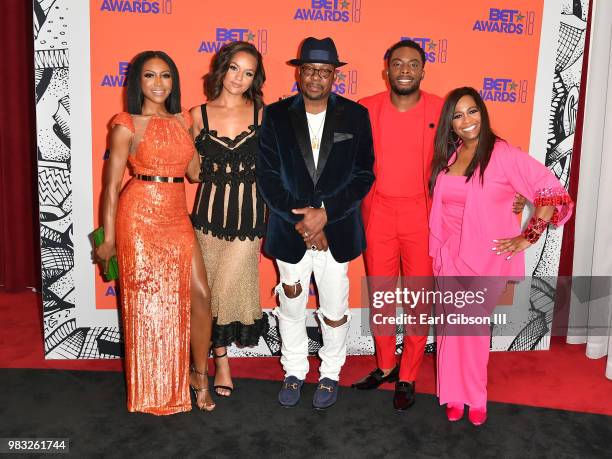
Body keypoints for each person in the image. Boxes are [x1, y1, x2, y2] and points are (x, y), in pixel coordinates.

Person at [352, 40, 526, 411]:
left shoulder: (440, 110)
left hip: (423, 215)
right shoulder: (364, 109)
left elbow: (483, 149)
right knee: (381, 294)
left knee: (418, 299)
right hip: (378, 213)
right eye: (397, 63)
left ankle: (409, 374)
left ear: (422, 70)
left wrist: (518, 193)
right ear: (387, 69)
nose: (404, 70)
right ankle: (385, 364)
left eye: (412, 64)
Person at [428, 87, 573, 425]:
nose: (467, 120)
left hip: (483, 256)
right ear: (450, 123)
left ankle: (475, 399)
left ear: (483, 113)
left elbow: (548, 189)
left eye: (473, 111)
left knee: (474, 331)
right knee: (451, 329)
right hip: (449, 253)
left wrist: (529, 235)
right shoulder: (452, 155)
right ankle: (453, 394)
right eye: (459, 115)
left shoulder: (503, 154)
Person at [257, 37, 375, 409]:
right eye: (309, 69)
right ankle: (294, 370)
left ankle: (330, 374)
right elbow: (268, 176)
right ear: (298, 72)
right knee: (291, 305)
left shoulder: (356, 116)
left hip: (336, 231)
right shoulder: (275, 116)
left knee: (334, 307)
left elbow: (363, 175)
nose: (316, 78)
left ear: (334, 76)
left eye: (324, 72)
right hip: (289, 229)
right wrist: (305, 220)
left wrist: (325, 215)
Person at [96, 51, 215, 413]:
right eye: (150, 76)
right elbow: (112, 186)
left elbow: (194, 173)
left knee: (200, 296)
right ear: (138, 83)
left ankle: (198, 375)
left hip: (177, 214)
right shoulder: (126, 123)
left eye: (166, 75)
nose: (159, 83)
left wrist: (206, 141)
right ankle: (153, 386)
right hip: (139, 215)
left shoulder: (184, 120)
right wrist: (108, 239)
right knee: (147, 304)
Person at [190, 41, 268, 397]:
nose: (239, 78)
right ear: (221, 69)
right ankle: (220, 359)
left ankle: (216, 361)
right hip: (206, 219)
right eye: (234, 68)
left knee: (225, 289)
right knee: (207, 294)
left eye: (248, 72)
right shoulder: (196, 115)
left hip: (249, 219)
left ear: (255, 78)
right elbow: (192, 175)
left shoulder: (264, 114)